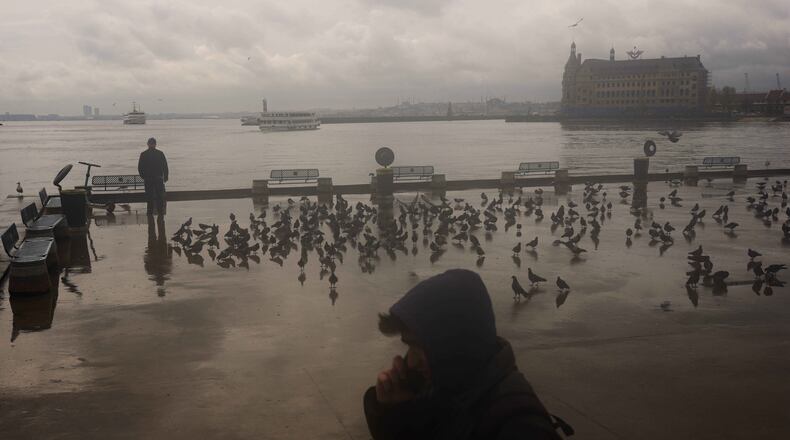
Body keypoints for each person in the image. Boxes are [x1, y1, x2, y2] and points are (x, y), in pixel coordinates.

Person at [364, 269, 572, 440]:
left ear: (454, 342)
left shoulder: (519, 428)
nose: (410, 361)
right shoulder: (452, 391)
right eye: (409, 348)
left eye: (419, 347)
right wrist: (398, 413)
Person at [137, 137, 168, 216]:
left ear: (148, 144)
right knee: (159, 197)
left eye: (151, 143)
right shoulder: (160, 153)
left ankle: (150, 213)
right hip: (157, 178)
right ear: (155, 144)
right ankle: (160, 212)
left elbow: (140, 167)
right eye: (151, 143)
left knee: (150, 197)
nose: (151, 145)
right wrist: (165, 176)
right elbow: (165, 166)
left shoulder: (144, 154)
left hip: (150, 179)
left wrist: (143, 176)